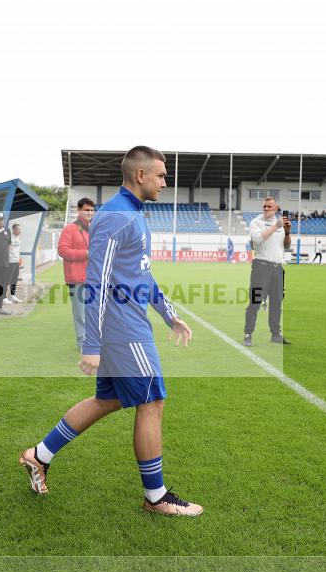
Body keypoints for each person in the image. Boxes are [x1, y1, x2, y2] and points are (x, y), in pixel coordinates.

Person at [19, 146, 201, 516]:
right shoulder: (118, 217)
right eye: (161, 175)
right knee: (152, 401)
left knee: (109, 400)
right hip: (124, 330)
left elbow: (142, 275)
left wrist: (169, 314)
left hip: (129, 324)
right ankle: (157, 497)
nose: (165, 182)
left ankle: (39, 456)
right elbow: (97, 280)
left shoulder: (132, 214)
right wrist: (92, 344)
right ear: (140, 175)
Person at [243, 198, 292, 347]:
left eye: (269, 206)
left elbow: (287, 246)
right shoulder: (256, 222)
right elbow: (257, 239)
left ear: (276, 208)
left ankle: (276, 334)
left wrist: (288, 232)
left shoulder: (281, 224)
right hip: (261, 267)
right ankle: (248, 334)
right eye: (264, 206)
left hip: (277, 268)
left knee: (277, 303)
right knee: (255, 301)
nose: (266, 208)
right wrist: (276, 226)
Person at [58, 198, 94, 351]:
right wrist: (85, 253)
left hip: (94, 277)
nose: (90, 213)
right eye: (86, 210)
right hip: (77, 278)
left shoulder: (95, 228)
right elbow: (63, 251)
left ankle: (92, 341)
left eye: (92, 210)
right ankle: (82, 342)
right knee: (81, 314)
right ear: (79, 210)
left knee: (93, 313)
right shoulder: (70, 229)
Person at [3, 222, 22, 305]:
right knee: (7, 280)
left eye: (20, 229)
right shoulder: (9, 238)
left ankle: (13, 296)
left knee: (14, 279)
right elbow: (6, 250)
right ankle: (3, 297)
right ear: (13, 230)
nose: (19, 231)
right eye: (18, 229)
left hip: (16, 262)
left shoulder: (18, 239)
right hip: (10, 262)